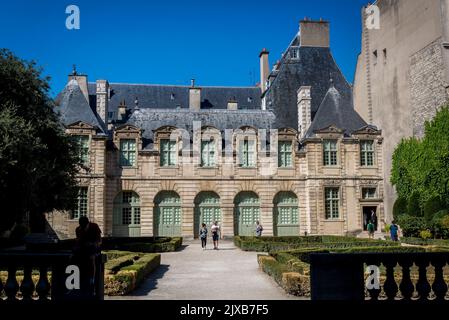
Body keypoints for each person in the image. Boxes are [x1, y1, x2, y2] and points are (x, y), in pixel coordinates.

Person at [74, 216, 102, 294]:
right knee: (75, 257)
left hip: (94, 248)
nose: (83, 228)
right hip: (84, 249)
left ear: (88, 224)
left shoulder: (94, 226)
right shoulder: (78, 229)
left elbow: (99, 241)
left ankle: (92, 279)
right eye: (81, 226)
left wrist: (92, 243)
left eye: (85, 227)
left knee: (91, 257)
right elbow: (78, 242)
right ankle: (77, 280)